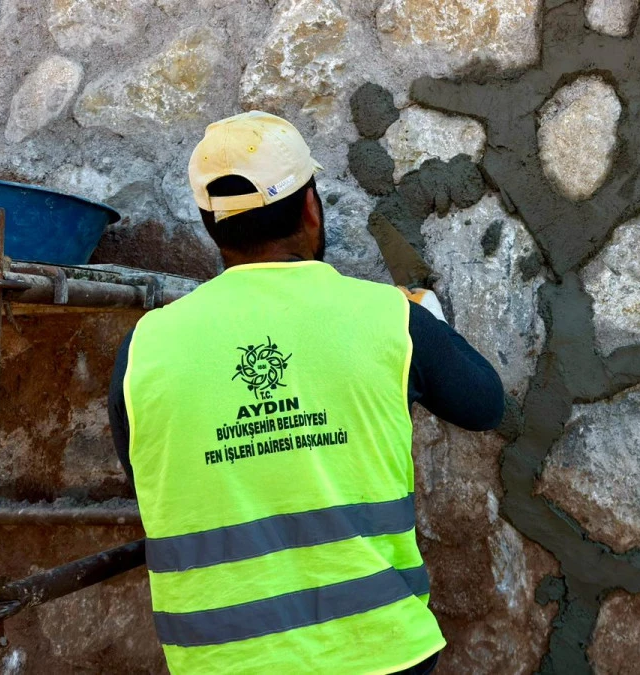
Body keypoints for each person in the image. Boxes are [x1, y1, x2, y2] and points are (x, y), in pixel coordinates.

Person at [106, 110, 506, 674]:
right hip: (378, 648)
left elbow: (151, 480)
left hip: (219, 660)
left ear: (211, 225)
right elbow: (486, 404)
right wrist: (421, 320)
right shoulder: (390, 318)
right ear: (311, 207)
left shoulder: (142, 348)